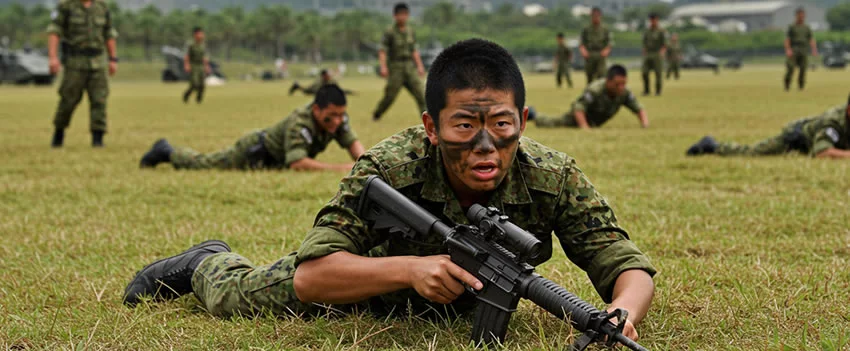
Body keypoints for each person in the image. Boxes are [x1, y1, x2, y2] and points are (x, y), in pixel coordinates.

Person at [123, 39, 656, 343]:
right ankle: (204, 260)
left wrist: (623, 315)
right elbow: (314, 274)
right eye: (465, 126)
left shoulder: (552, 174)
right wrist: (409, 270)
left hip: (448, 306)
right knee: (237, 297)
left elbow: (623, 261)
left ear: (520, 118)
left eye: (501, 123)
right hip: (362, 284)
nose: (486, 146)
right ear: (431, 126)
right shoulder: (386, 167)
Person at [139, 85, 364, 171]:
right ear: (316, 109)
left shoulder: (338, 120)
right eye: (330, 116)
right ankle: (167, 151)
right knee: (205, 164)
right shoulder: (300, 121)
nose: (337, 121)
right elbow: (298, 163)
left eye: (341, 115)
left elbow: (354, 145)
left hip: (272, 161)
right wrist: (343, 168)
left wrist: (365, 165)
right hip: (254, 151)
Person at [46, 0, 118, 148]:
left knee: (100, 100)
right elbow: (54, 31)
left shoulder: (101, 7)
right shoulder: (66, 6)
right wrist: (53, 57)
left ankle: (98, 139)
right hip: (75, 63)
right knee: (68, 100)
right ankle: (58, 134)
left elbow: (109, 32)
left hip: (98, 62)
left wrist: (113, 59)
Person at [686, 96, 850, 158]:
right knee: (752, 153)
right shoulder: (833, 124)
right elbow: (822, 152)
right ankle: (712, 146)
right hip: (793, 139)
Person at [530, 65, 649, 129]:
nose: (621, 87)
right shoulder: (595, 89)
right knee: (555, 123)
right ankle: (533, 114)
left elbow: (638, 108)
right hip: (577, 118)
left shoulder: (624, 93)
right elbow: (578, 108)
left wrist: (645, 124)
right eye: (618, 84)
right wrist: (585, 128)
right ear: (608, 81)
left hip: (593, 122)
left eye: (624, 84)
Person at [372, 2, 427, 121]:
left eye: (405, 14)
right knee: (390, 95)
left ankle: (426, 118)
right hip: (396, 68)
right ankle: (377, 114)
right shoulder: (389, 32)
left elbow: (414, 50)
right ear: (395, 16)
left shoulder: (410, 31)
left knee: (421, 93)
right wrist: (383, 67)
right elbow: (383, 50)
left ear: (408, 15)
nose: (402, 17)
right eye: (400, 15)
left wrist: (420, 66)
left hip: (409, 67)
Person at [784, 7, 818, 91]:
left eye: (803, 15)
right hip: (794, 49)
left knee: (803, 68)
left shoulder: (806, 27)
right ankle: (787, 84)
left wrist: (814, 49)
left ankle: (801, 86)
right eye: (800, 15)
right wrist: (788, 49)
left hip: (803, 49)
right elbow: (787, 39)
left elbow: (811, 39)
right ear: (796, 16)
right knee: (791, 67)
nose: (801, 17)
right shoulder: (792, 27)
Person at [579, 7, 611, 85]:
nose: (595, 18)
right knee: (589, 76)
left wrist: (606, 51)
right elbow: (581, 43)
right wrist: (583, 51)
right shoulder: (586, 29)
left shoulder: (605, 29)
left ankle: (601, 93)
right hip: (590, 54)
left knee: (601, 75)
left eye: (597, 16)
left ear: (600, 16)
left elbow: (609, 43)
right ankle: (590, 94)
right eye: (594, 16)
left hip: (600, 54)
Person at [183, 27, 211, 104]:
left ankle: (199, 100)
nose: (202, 35)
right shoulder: (191, 44)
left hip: (201, 65)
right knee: (194, 84)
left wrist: (207, 66)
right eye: (200, 33)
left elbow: (205, 57)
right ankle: (186, 95)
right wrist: (187, 65)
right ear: (195, 34)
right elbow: (187, 56)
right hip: (194, 65)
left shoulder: (203, 45)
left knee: (202, 84)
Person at [641, 13, 666, 96]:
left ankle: (658, 91)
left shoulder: (661, 31)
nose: (653, 21)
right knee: (644, 72)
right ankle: (646, 90)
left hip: (657, 53)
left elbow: (664, 44)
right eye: (651, 20)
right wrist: (644, 51)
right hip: (648, 53)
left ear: (657, 20)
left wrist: (662, 52)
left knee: (658, 73)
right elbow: (644, 42)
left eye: (654, 20)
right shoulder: (647, 31)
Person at [289, 69, 355, 96]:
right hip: (313, 90)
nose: (329, 76)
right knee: (306, 91)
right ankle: (296, 85)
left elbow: (336, 87)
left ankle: (297, 86)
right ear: (324, 76)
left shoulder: (330, 80)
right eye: (327, 75)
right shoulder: (319, 81)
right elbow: (316, 90)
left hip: (318, 90)